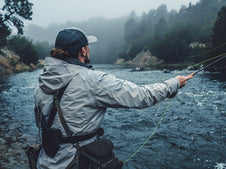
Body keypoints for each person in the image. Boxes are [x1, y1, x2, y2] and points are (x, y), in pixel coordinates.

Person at [34, 27, 194, 169]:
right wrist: (174, 83)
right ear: (83, 51)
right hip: (75, 162)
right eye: (88, 46)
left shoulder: (42, 81)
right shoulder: (92, 80)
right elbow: (141, 96)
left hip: (45, 162)